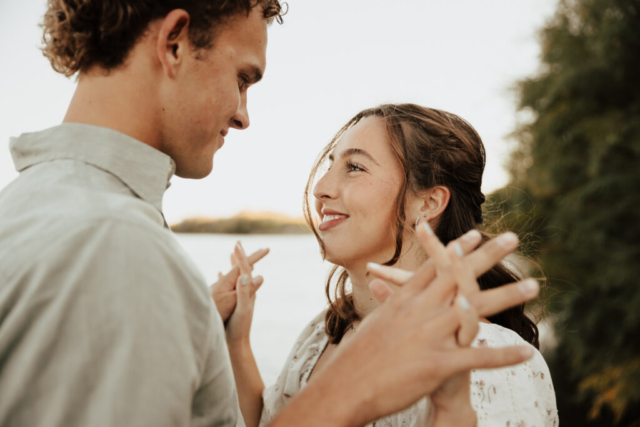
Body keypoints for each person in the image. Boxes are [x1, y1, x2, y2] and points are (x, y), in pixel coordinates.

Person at [0, 1, 540, 426]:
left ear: (432, 200)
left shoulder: (30, 209)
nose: (243, 115)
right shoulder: (115, 247)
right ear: (174, 42)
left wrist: (211, 340)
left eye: (354, 168)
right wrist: (344, 395)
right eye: (243, 77)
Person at [218, 104, 558, 426]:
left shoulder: (484, 357)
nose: (320, 189)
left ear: (428, 202)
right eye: (330, 166)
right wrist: (236, 341)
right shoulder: (323, 333)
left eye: (354, 167)